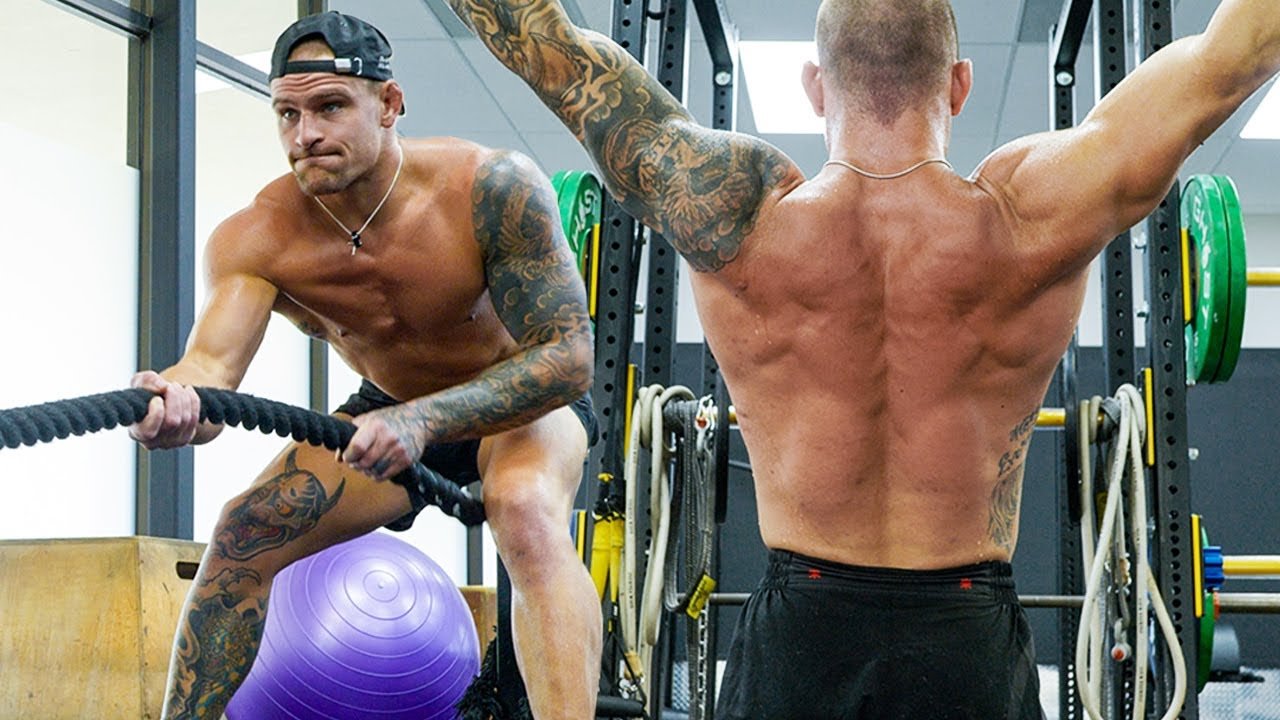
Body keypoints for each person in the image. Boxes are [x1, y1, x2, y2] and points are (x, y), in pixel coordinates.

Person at [446, 0, 1280, 717]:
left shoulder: (737, 211)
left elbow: (552, 51)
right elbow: (1230, 57)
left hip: (799, 637)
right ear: (959, 84)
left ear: (815, 84)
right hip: (968, 637)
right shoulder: (1033, 213)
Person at [128, 11, 602, 720]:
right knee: (243, 533)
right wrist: (176, 403)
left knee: (524, 512)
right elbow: (210, 368)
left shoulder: (491, 188)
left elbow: (566, 359)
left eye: (329, 107)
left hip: (517, 402)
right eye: (287, 114)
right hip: (389, 410)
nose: (305, 134)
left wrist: (425, 421)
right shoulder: (257, 238)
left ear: (389, 104)